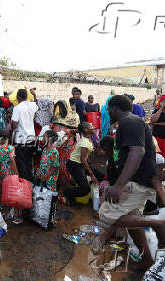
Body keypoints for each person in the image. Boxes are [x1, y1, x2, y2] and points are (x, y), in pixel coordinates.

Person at [100, 95, 165, 271]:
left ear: (114, 108)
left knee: (106, 215)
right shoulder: (129, 123)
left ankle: (158, 224)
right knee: (134, 226)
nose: (107, 112)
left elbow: (137, 152)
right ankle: (147, 260)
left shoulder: (130, 122)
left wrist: (119, 185)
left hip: (138, 181)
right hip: (139, 181)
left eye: (107, 109)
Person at [62, 122, 99, 204]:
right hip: (75, 165)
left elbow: (85, 156)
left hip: (79, 164)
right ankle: (66, 192)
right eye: (91, 126)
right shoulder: (84, 142)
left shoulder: (88, 138)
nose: (94, 127)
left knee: (99, 174)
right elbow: (83, 159)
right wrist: (91, 174)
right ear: (86, 130)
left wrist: (89, 164)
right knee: (85, 189)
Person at [52, 99, 80, 189]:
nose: (60, 110)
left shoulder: (74, 116)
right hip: (58, 143)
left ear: (66, 107)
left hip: (68, 144)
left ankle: (66, 182)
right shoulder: (57, 116)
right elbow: (54, 125)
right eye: (59, 108)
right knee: (57, 162)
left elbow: (79, 129)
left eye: (62, 108)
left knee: (66, 163)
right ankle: (59, 180)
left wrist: (69, 130)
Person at [11, 88, 38, 182]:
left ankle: (24, 185)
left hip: (21, 139)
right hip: (31, 138)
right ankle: (30, 183)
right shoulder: (32, 105)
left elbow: (14, 125)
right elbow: (36, 104)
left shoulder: (17, 108)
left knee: (21, 163)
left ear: (18, 97)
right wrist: (35, 95)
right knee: (29, 162)